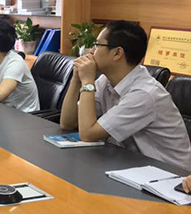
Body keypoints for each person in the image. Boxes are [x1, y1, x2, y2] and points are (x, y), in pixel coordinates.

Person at [60, 20, 191, 170]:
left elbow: (88, 134)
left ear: (117, 53)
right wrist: (76, 79)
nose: (90, 51)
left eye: (97, 45)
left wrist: (87, 81)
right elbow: (67, 123)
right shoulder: (106, 80)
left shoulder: (144, 94)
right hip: (131, 163)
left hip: (169, 174)